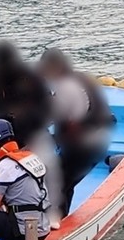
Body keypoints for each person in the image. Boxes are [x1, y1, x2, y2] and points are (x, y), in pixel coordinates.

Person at [38, 48, 114, 221]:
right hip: (95, 136)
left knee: (60, 182)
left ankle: (58, 222)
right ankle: (60, 218)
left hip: (88, 142)